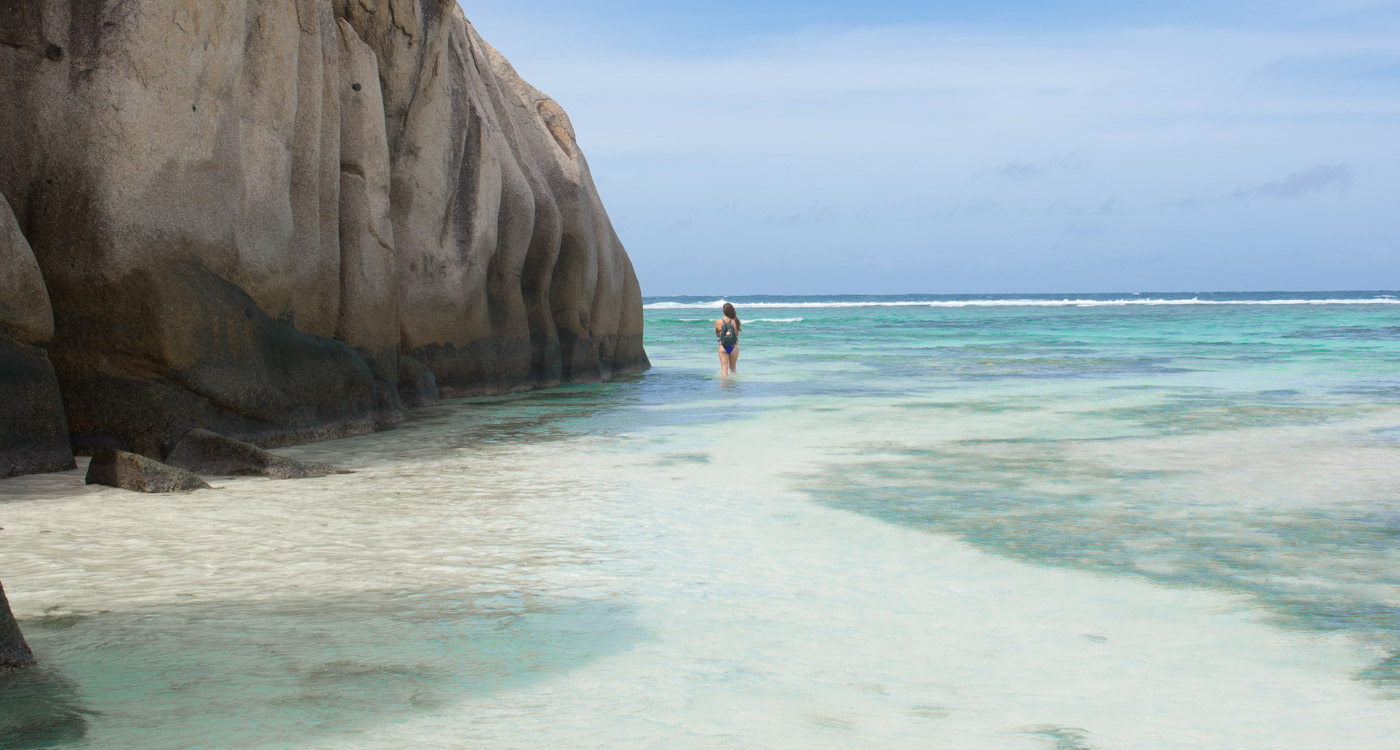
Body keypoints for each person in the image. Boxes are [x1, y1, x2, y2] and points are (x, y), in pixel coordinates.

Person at [714, 302, 741, 376]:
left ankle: (724, 386)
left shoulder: (718, 322)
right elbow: (736, 335)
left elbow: (717, 335)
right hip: (734, 346)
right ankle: (733, 385)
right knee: (733, 368)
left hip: (722, 346)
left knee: (724, 368)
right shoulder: (735, 321)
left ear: (723, 311)